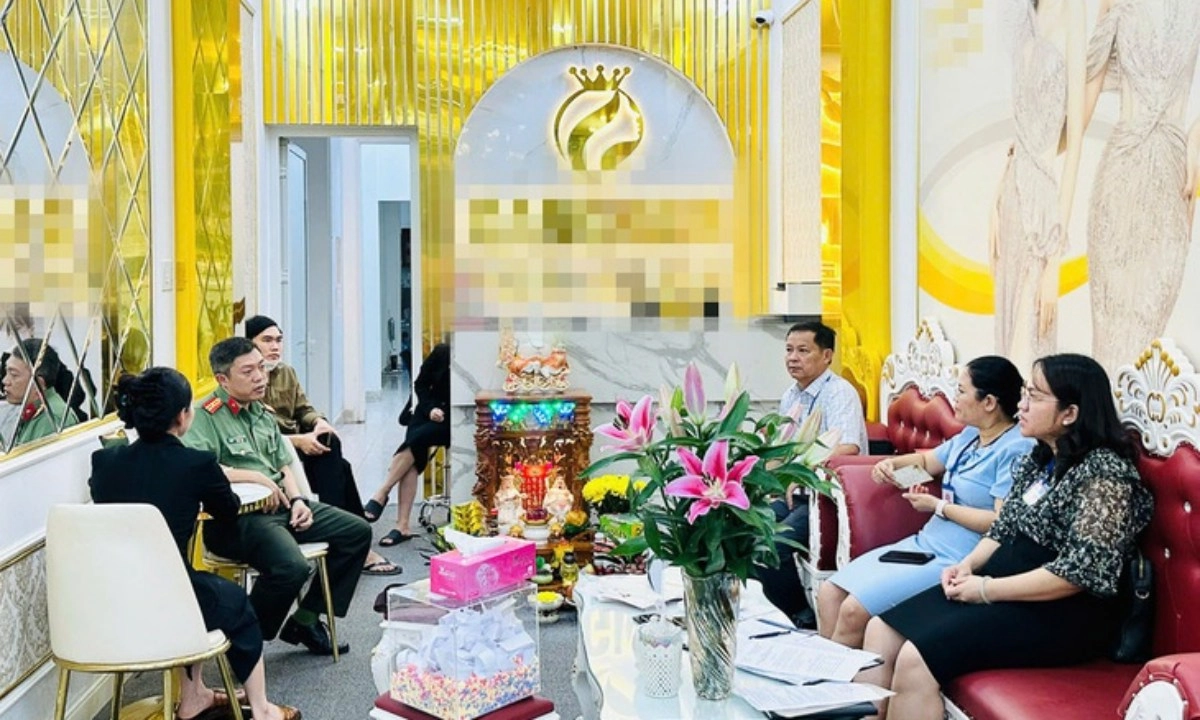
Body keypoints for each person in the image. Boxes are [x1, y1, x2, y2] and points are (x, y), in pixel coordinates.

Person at [857, 354, 1153, 720]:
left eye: (1035, 396)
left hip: (1062, 611)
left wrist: (985, 589)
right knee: (881, 630)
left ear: (1070, 413)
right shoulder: (1041, 457)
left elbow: (1079, 574)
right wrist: (967, 566)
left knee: (916, 658)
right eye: (1025, 392)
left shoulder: (1105, 474)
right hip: (1006, 579)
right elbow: (1004, 526)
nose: (1021, 405)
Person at [90, 367, 300, 720]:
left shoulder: (104, 461)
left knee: (200, 588)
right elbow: (228, 510)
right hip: (172, 597)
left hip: (113, 598)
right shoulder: (196, 463)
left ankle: (195, 697)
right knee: (233, 603)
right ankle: (263, 710)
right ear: (183, 416)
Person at [816, 356, 1033, 648]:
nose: (954, 399)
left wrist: (938, 507)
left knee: (853, 610)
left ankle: (843, 677)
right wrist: (892, 466)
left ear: (989, 402)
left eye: (961, 391)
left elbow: (1000, 522)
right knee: (830, 593)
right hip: (924, 543)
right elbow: (928, 463)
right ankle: (824, 672)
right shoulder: (971, 435)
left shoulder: (1017, 448)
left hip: (960, 557)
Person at [184, 337, 371, 656]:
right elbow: (203, 470)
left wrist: (298, 501)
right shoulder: (205, 415)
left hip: (281, 508)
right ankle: (244, 639)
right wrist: (256, 478)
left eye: (261, 368)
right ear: (223, 380)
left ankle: (305, 620)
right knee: (292, 567)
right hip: (237, 519)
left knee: (357, 532)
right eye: (248, 372)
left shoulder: (261, 412)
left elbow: (283, 465)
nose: (260, 377)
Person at [1083, 0, 1200, 372]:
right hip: (1119, 180)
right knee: (1109, 337)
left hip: (1172, 181)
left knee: (1149, 328)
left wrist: (1196, 138)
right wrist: (1026, 152)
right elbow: (1084, 97)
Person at [245, 315, 400, 576]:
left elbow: (303, 409)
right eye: (267, 340)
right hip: (272, 454)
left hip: (297, 446)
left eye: (279, 340)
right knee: (337, 467)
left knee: (332, 448)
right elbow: (256, 434)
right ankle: (351, 540)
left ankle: (351, 537)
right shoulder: (246, 380)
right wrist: (298, 441)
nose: (275, 347)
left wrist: (318, 423)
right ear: (249, 344)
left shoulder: (285, 372)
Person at [990, 0, 1086, 371]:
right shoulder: (1024, 20)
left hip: (1042, 210)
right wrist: (995, 199)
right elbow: (1018, 134)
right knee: (1005, 339)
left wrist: (1055, 260)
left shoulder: (1074, 15)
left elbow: (1074, 145)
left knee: (1030, 344)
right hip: (1009, 199)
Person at [363, 343, 451, 546]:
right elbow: (421, 384)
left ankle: (383, 492)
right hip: (427, 413)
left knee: (415, 441)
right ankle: (402, 526)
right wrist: (430, 409)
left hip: (452, 421)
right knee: (414, 452)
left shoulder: (473, 356)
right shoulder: (442, 351)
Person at [2, 338, 78, 447]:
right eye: (6, 372)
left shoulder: (51, 418)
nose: (5, 381)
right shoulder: (36, 411)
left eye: (14, 375)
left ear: (38, 383)